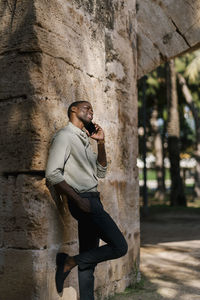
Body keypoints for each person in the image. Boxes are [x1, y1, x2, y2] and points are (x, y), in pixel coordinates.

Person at [45, 100, 128, 299]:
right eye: (86, 107)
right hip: (83, 201)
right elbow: (52, 174)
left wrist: (100, 143)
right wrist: (78, 200)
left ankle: (79, 276)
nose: (91, 111)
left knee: (88, 264)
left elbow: (101, 171)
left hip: (92, 200)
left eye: (92, 108)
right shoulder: (65, 137)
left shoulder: (84, 139)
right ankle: (68, 262)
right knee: (120, 246)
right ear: (73, 110)